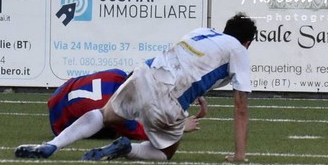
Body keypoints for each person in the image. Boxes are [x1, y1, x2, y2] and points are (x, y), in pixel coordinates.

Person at [15, 13, 257, 162]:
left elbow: (186, 62)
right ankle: (127, 148)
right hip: (170, 97)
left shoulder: (202, 32)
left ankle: (52, 145)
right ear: (247, 42)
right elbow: (241, 107)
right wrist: (239, 154)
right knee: (165, 152)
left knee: (104, 114)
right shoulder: (238, 50)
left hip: (146, 72)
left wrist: (196, 91)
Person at [47, 68, 208, 141]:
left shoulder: (117, 75)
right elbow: (146, 133)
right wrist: (180, 127)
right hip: (60, 125)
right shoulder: (117, 110)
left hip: (58, 96)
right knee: (115, 130)